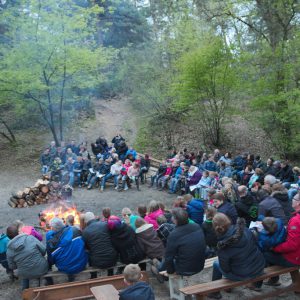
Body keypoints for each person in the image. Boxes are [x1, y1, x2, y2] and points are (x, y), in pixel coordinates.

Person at [208, 214, 265, 299]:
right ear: (228, 220)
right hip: (258, 266)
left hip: (244, 274)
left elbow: (225, 269)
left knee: (216, 264)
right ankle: (229, 287)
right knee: (236, 259)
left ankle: (214, 292)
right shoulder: (245, 230)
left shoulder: (223, 246)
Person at [263, 193, 300, 286]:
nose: (291, 200)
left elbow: (292, 245)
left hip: (294, 258)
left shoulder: (296, 220)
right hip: (297, 255)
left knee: (264, 252)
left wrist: (275, 248)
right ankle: (275, 280)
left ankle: (256, 284)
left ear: (299, 203)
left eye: (294, 199)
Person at [156, 208, 206, 276]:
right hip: (200, 265)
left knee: (165, 258)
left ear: (175, 220)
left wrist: (170, 272)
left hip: (185, 269)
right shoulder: (196, 226)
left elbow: (168, 258)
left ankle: (159, 271)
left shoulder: (174, 235)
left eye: (172, 216)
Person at [6, 225, 49, 290]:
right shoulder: (30, 238)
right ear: (18, 232)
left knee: (24, 273)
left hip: (25, 273)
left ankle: (25, 291)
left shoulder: (9, 250)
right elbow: (43, 250)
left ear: (8, 237)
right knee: (43, 268)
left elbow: (12, 266)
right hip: (41, 268)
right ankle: (50, 284)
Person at [82, 212, 118, 278]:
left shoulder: (85, 231)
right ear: (94, 218)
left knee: (89, 252)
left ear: (86, 221)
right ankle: (110, 273)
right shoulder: (105, 224)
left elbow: (86, 247)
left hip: (96, 262)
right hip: (112, 259)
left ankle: (93, 275)